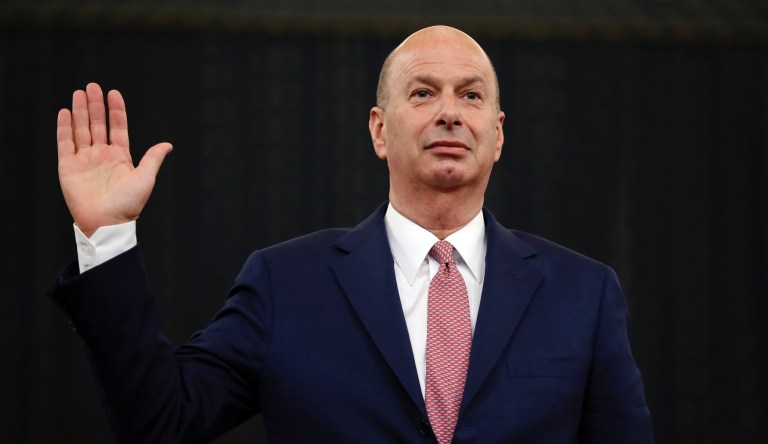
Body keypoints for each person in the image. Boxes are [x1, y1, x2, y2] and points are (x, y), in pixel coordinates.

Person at [49, 25, 653, 443]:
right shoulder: (286, 284)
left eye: (470, 95)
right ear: (379, 130)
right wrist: (107, 239)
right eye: (423, 93)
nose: (449, 111)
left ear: (497, 135)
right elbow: (160, 424)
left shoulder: (583, 293)